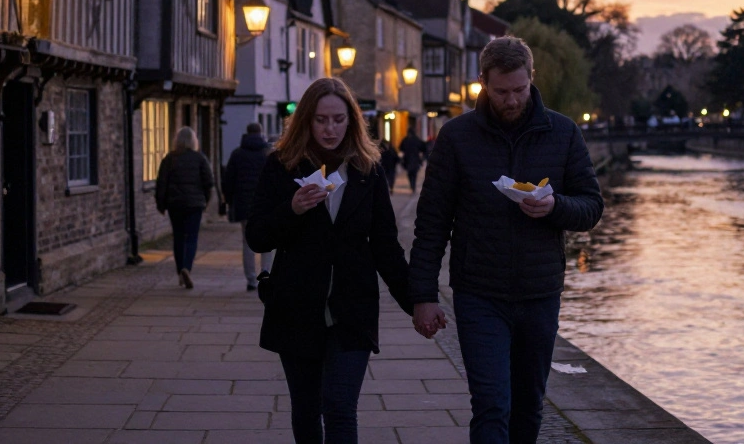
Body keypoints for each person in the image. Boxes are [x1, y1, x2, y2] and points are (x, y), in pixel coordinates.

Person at [409, 36, 604, 444]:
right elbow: (432, 221)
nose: (512, 100)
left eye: (519, 89)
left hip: (540, 291)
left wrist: (555, 207)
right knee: (492, 404)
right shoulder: (456, 137)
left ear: (531, 79)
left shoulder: (563, 133)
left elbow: (591, 207)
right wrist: (423, 295)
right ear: (482, 82)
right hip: (479, 292)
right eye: (501, 92)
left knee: (529, 403)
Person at [246, 78, 414, 444]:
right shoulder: (281, 166)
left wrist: (418, 303)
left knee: (339, 407)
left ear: (351, 121)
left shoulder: (368, 170)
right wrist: (292, 208)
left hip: (352, 310)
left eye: (339, 119)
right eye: (321, 120)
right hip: (296, 307)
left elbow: (386, 246)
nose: (330, 129)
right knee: (306, 410)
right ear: (306, 120)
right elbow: (257, 235)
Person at [155, 126, 215, 289]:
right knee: (192, 237)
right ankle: (187, 268)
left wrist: (160, 204)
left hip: (175, 204)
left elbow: (161, 183)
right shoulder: (200, 158)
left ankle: (180, 269)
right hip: (195, 204)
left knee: (179, 237)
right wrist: (206, 201)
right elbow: (208, 182)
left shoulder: (169, 159)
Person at [223, 122, 273, 291]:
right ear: (261, 133)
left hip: (244, 205)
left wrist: (229, 201)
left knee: (247, 243)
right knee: (268, 242)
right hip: (266, 205)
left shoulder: (237, 154)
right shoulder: (268, 154)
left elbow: (228, 181)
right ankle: (266, 274)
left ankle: (251, 280)